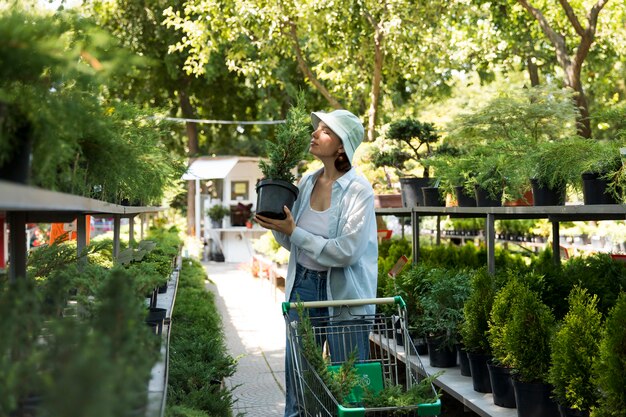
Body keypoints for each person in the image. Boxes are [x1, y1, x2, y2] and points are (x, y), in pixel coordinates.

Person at [254, 109, 378, 417]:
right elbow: (292, 240)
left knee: (348, 389)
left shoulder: (358, 191)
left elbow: (346, 251)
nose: (314, 133)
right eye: (317, 128)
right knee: (300, 382)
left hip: (347, 295)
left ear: (341, 146)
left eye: (324, 131)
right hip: (304, 286)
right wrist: (278, 227)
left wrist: (294, 232)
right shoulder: (307, 182)